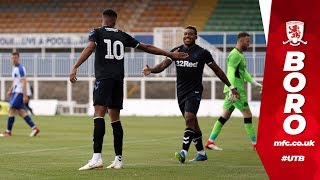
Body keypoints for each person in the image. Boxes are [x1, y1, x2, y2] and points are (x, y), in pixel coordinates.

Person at [70, 9, 189, 170]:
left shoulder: (96, 32)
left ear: (102, 20)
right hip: (119, 80)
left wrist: (76, 66)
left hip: (104, 79)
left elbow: (90, 48)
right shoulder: (122, 35)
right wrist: (169, 54)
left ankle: (96, 157)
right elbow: (146, 47)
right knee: (115, 119)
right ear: (114, 21)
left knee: (98, 114)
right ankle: (118, 159)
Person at [143, 26, 240, 163]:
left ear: (196, 36)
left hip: (194, 91)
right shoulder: (176, 51)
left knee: (189, 118)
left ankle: (183, 151)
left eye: (190, 34)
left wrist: (231, 87)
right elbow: (163, 66)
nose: (187, 36)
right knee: (192, 123)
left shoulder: (203, 53)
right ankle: (201, 153)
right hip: (181, 92)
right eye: (186, 34)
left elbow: (217, 70)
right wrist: (151, 70)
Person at [204, 32, 262, 151]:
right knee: (248, 115)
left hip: (233, 90)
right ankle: (255, 144)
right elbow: (230, 72)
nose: (249, 44)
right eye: (248, 41)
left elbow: (243, 72)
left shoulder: (239, 55)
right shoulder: (235, 55)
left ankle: (210, 141)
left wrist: (255, 83)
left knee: (224, 116)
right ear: (241, 41)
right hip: (236, 91)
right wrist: (232, 89)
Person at [0, 52, 40, 137]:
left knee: (11, 110)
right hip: (15, 91)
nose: (14, 59)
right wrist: (10, 90)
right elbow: (15, 81)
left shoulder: (21, 68)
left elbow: (24, 81)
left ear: (19, 58)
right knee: (21, 112)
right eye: (12, 58)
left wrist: (25, 95)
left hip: (19, 92)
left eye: (15, 58)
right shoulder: (15, 69)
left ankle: (8, 131)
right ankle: (34, 128)